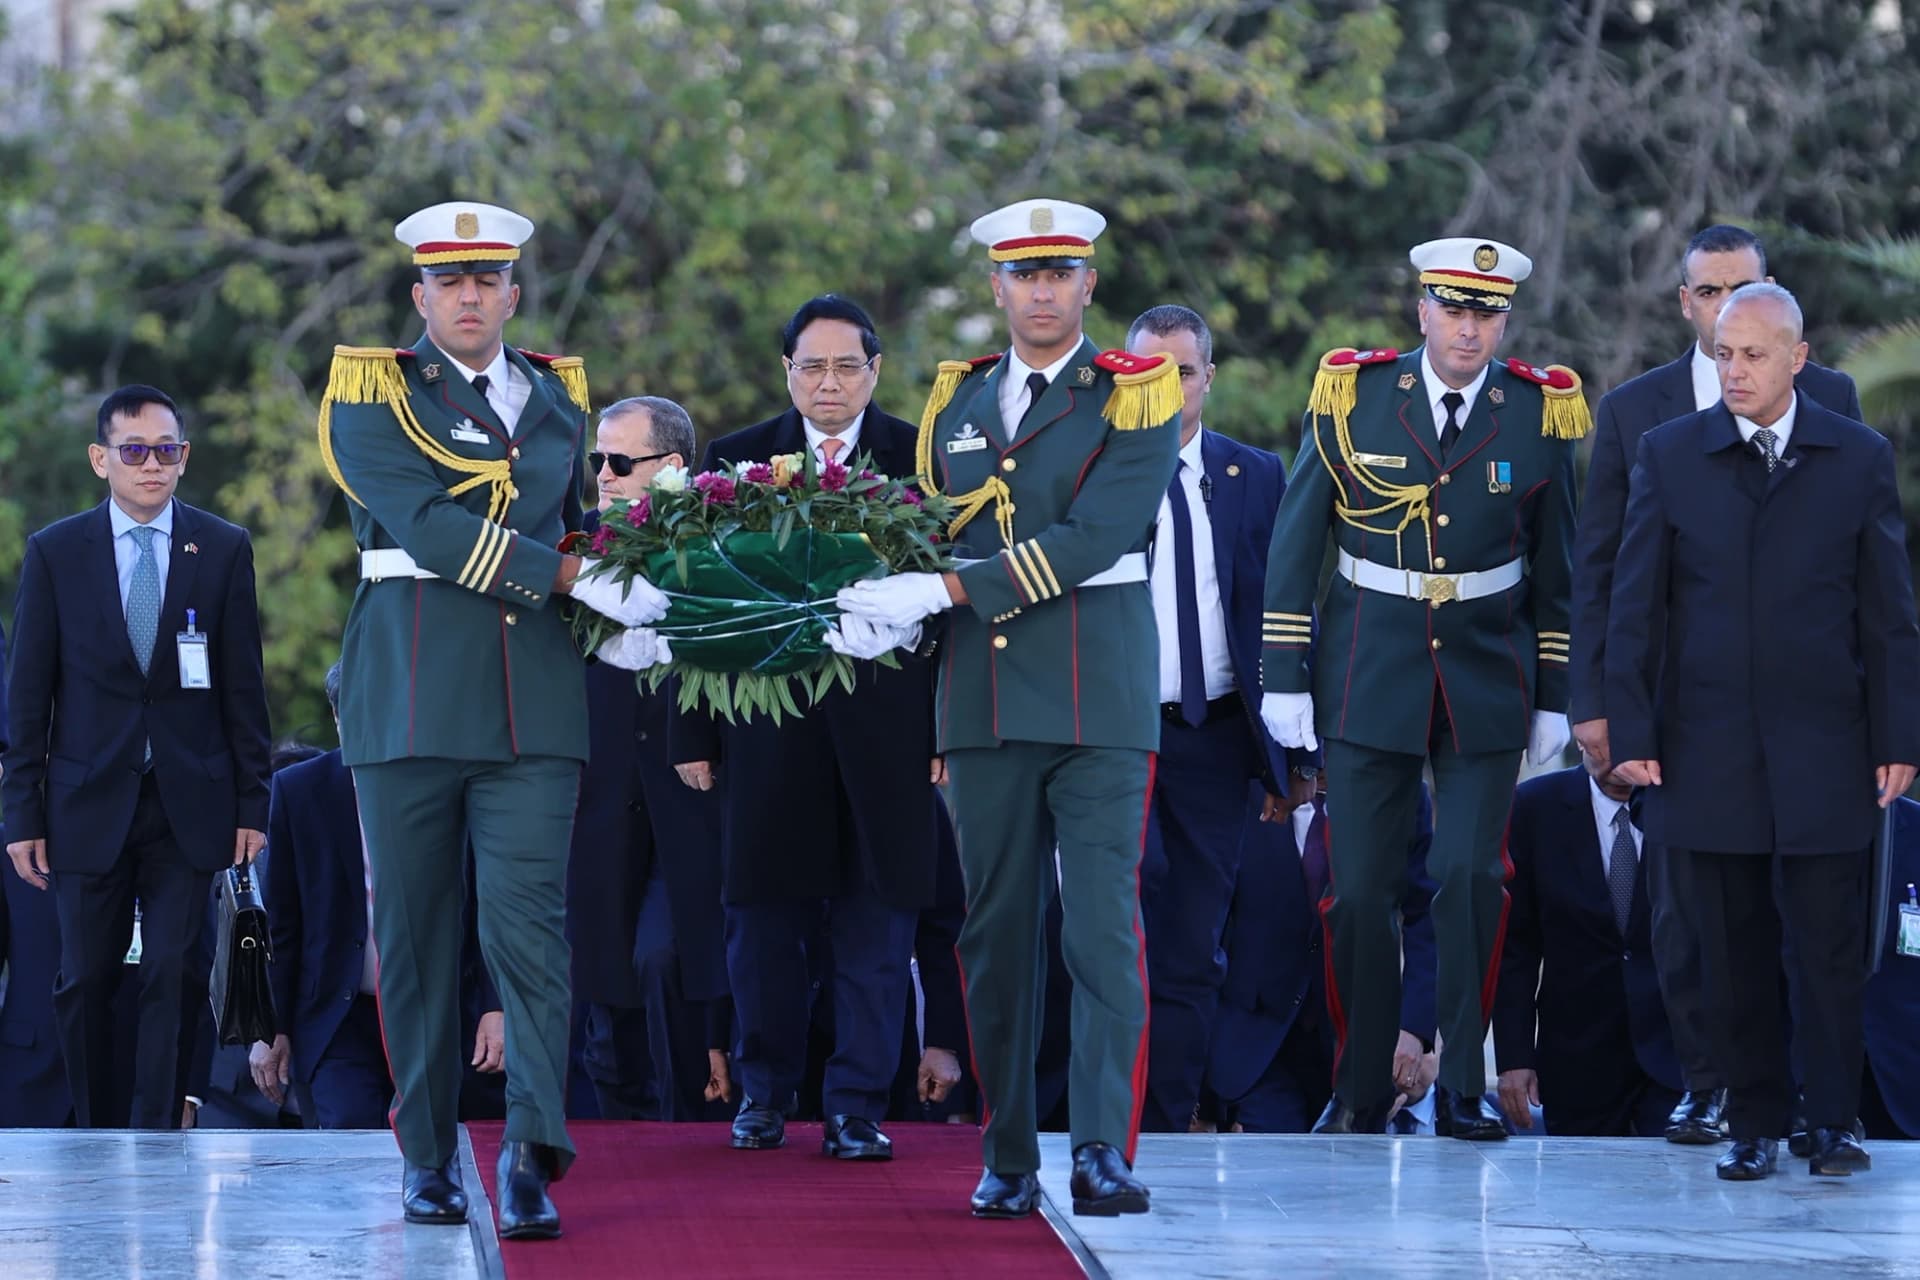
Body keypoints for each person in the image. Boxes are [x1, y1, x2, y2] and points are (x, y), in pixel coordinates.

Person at [317, 200, 671, 1237]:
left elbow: (577, 526)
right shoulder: (372, 392)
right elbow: (429, 527)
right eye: (450, 281)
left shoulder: (558, 397)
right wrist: (570, 576)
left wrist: (651, 589)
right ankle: (427, 1153)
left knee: (533, 934)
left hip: (534, 701)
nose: (469, 296)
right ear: (420, 295)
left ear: (513, 293)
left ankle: (530, 1152)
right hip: (412, 693)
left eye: (487, 279)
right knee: (416, 936)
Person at [836, 199, 1181, 1217]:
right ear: (997, 285)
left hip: (1096, 694)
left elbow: (1096, 536)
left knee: (1102, 932)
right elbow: (925, 532)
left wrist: (941, 590)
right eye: (1024, 274)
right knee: (994, 934)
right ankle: (1010, 1149)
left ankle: (1102, 1148)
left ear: (1087, 284)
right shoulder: (959, 400)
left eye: (1060, 273)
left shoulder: (1135, 393)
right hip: (984, 700)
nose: (1041, 290)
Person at [1258, 238, 1586, 1139]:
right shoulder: (1354, 394)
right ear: (1423, 312)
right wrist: (1284, 674)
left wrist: (1555, 692)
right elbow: (1297, 541)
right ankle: (1362, 1085)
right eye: (1453, 309)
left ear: (1503, 322)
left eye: (1485, 313)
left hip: (1487, 673)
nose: (1468, 328)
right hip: (1368, 666)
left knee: (1471, 878)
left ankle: (1463, 1086)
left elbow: (1559, 568)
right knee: (1359, 891)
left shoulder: (1540, 412)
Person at [1607, 282, 1920, 1180]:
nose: (1733, 370)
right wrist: (1632, 726)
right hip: (1704, 747)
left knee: (1829, 948)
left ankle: (1833, 1122)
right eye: (1723, 354)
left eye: (1752, 354)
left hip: (1829, 748)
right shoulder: (1671, 453)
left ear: (1798, 359)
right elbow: (1635, 605)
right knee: (1730, 950)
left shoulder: (1857, 456)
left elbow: (1888, 614)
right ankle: (1753, 1124)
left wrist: (1899, 736)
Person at [1568, 224, 1863, 1142]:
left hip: (1803, 720)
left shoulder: (1832, 398)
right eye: (1707, 291)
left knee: (1803, 913)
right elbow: (1602, 570)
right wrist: (1597, 705)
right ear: (1685, 302)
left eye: (1742, 289)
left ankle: (1805, 1100)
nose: (1724, 307)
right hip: (1678, 710)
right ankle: (1708, 1084)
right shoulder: (1634, 412)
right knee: (1690, 911)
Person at [670, 295, 942, 1161]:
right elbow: (696, 597)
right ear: (787, 371)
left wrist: (948, 729)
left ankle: (856, 1104)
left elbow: (955, 599)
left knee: (876, 926)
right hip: (766, 728)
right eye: (812, 366)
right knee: (762, 923)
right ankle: (764, 1094)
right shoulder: (736, 459)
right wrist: (692, 735)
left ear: (875, 370)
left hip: (890, 733)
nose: (830, 382)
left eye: (847, 366)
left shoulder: (923, 457)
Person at [3, 384, 272, 1130]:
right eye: (134, 451)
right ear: (102, 459)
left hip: (189, 798)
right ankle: (94, 1134)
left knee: (175, 971)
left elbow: (244, 689)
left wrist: (253, 804)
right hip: (85, 800)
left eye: (166, 450)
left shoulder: (222, 548)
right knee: (84, 978)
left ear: (184, 457)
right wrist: (21, 813)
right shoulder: (56, 553)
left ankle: (158, 1138)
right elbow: (28, 697)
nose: (152, 465)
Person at [1118, 304, 1301, 1134]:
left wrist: (1298, 750)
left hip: (1217, 735)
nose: (1166, 388)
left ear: (1208, 378)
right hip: (1116, 734)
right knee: (1124, 916)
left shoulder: (1255, 473)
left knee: (1195, 939)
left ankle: (1169, 1121)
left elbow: (1287, 606)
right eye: (1147, 372)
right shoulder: (1094, 471)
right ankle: (1105, 1115)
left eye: (1183, 372)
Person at [250, 666, 504, 1129]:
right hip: (339, 1015)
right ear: (336, 716)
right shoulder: (299, 792)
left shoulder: (454, 785)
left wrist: (495, 1004)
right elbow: (282, 923)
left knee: (438, 1143)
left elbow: (489, 903)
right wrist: (272, 1026)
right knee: (352, 1138)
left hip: (438, 1009)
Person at [570, 395, 731, 1123]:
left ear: (671, 467)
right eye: (597, 460)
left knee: (665, 959)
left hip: (692, 800)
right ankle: (620, 1144)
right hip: (598, 802)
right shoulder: (574, 550)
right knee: (604, 988)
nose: (603, 475)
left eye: (619, 461)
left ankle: (690, 1128)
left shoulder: (720, 548)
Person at [1209, 780, 1437, 1133]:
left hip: (1360, 1051)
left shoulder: (1398, 790)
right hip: (1256, 1055)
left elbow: (1429, 916)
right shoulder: (1241, 786)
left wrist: (1414, 1028)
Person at [1493, 758, 1683, 1136]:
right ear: (1579, 736)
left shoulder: (1687, 800)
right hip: (1577, 1058)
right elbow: (1516, 946)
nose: (1617, 752)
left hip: (1677, 1055)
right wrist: (1514, 1057)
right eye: (1603, 738)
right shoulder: (1534, 806)